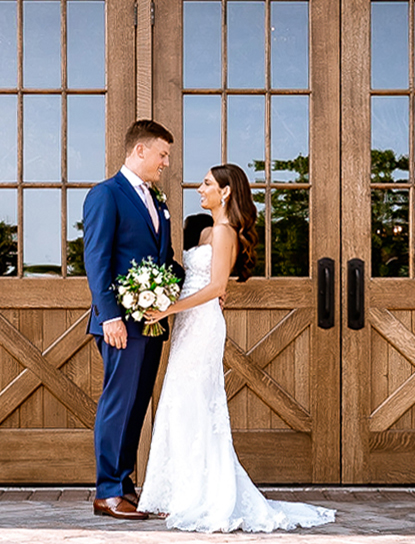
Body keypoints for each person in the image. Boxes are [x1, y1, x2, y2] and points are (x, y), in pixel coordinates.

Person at [135, 164, 335, 532]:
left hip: (202, 323)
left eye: (207, 183)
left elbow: (215, 287)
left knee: (194, 400)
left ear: (225, 192)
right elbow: (199, 280)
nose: (200, 187)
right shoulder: (208, 230)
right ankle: (177, 491)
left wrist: (167, 308)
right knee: (179, 401)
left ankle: (199, 494)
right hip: (189, 323)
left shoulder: (226, 232)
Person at [82, 119, 183, 520]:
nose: (165, 163)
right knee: (117, 404)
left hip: (152, 323)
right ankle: (106, 492)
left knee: (137, 406)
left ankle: (125, 488)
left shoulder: (157, 201)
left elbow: (165, 260)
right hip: (120, 324)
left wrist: (202, 287)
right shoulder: (106, 195)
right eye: (162, 154)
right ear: (139, 151)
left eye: (168, 157)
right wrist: (110, 317)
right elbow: (96, 259)